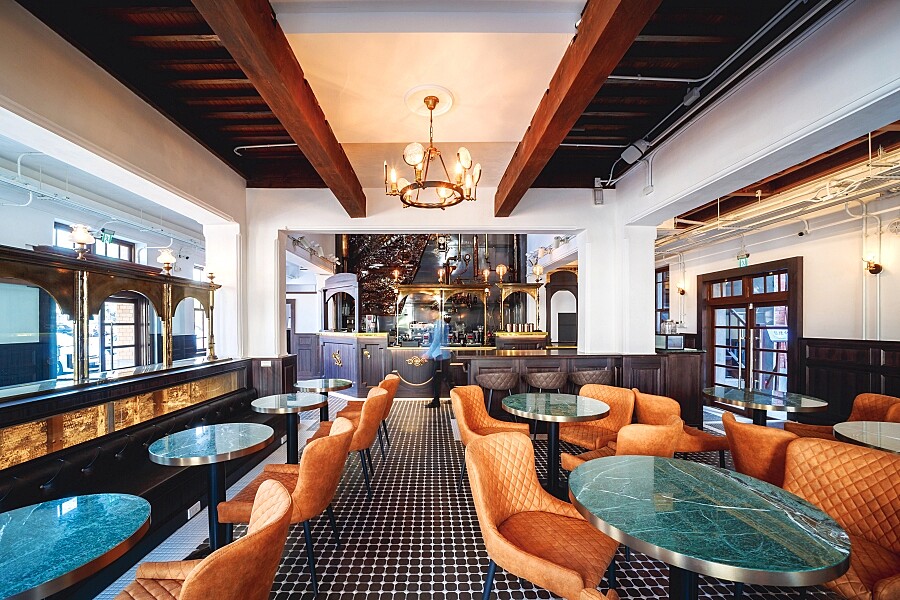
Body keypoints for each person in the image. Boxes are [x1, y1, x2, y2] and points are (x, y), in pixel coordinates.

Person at [423, 314, 451, 408]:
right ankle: (456, 398)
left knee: (437, 379)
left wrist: (428, 353)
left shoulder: (439, 323)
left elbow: (436, 341)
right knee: (447, 378)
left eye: (433, 312)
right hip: (443, 354)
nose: (431, 314)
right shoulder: (440, 323)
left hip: (440, 355)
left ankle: (436, 401)